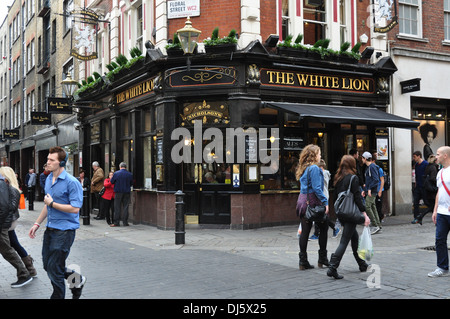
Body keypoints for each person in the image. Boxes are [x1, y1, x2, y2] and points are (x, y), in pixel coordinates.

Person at [28, 146, 86, 299]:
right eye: (48, 159)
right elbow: (48, 204)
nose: (47, 162)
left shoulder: (72, 182)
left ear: (61, 163)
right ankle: (77, 280)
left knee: (54, 268)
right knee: (48, 265)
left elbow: (75, 208)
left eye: (51, 160)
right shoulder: (48, 179)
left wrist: (53, 204)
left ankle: (57, 296)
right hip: (50, 229)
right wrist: (37, 223)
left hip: (65, 231)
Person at [327, 155, 371, 279]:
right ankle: (333, 267)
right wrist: (364, 213)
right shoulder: (353, 178)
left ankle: (361, 264)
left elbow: (335, 197)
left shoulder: (338, 178)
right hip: (351, 213)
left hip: (342, 212)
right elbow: (357, 198)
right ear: (352, 165)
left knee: (354, 238)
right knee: (344, 241)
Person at [295, 144, 329, 270]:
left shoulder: (304, 168)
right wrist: (325, 202)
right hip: (313, 201)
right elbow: (317, 188)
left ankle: (303, 261)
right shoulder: (314, 169)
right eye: (319, 153)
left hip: (303, 201)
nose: (320, 156)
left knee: (305, 231)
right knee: (323, 228)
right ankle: (323, 259)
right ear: (314, 155)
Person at [0, 166, 37, 278]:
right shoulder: (7, 187)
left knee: (10, 246)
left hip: (9, 221)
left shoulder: (11, 189)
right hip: (9, 220)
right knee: (14, 243)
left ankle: (27, 269)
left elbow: (10, 207)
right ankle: (29, 268)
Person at [428, 146, 450, 277]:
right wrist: (435, 210)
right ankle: (442, 267)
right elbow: (439, 192)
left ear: (445, 156)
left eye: (438, 154)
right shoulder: (440, 172)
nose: (436, 157)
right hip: (442, 213)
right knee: (439, 240)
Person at [414, 154, 439, 225]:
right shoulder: (433, 167)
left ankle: (420, 217)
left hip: (428, 189)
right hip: (432, 189)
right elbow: (432, 178)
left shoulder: (428, 166)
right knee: (433, 206)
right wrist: (438, 182)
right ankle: (421, 217)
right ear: (435, 161)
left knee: (432, 206)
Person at [361, 151, 382, 234]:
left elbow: (376, 179)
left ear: (365, 158)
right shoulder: (369, 167)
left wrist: (369, 189)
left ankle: (375, 225)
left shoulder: (371, 167)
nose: (361, 159)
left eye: (362, 158)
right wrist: (365, 190)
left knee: (367, 206)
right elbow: (369, 180)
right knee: (373, 207)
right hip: (370, 190)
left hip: (372, 191)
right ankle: (378, 225)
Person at [110, 162, 133, 227]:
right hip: (126, 192)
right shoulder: (129, 174)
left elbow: (112, 182)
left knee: (117, 207)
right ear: (125, 167)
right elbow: (131, 183)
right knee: (126, 207)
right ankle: (125, 222)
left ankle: (116, 222)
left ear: (120, 167)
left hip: (118, 192)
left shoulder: (116, 173)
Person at [412, 151, 431, 224]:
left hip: (424, 187)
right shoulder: (416, 165)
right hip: (418, 187)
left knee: (427, 202)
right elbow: (416, 176)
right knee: (416, 202)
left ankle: (435, 214)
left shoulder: (426, 164)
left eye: (415, 157)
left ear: (419, 156)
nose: (414, 158)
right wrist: (416, 185)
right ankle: (416, 218)